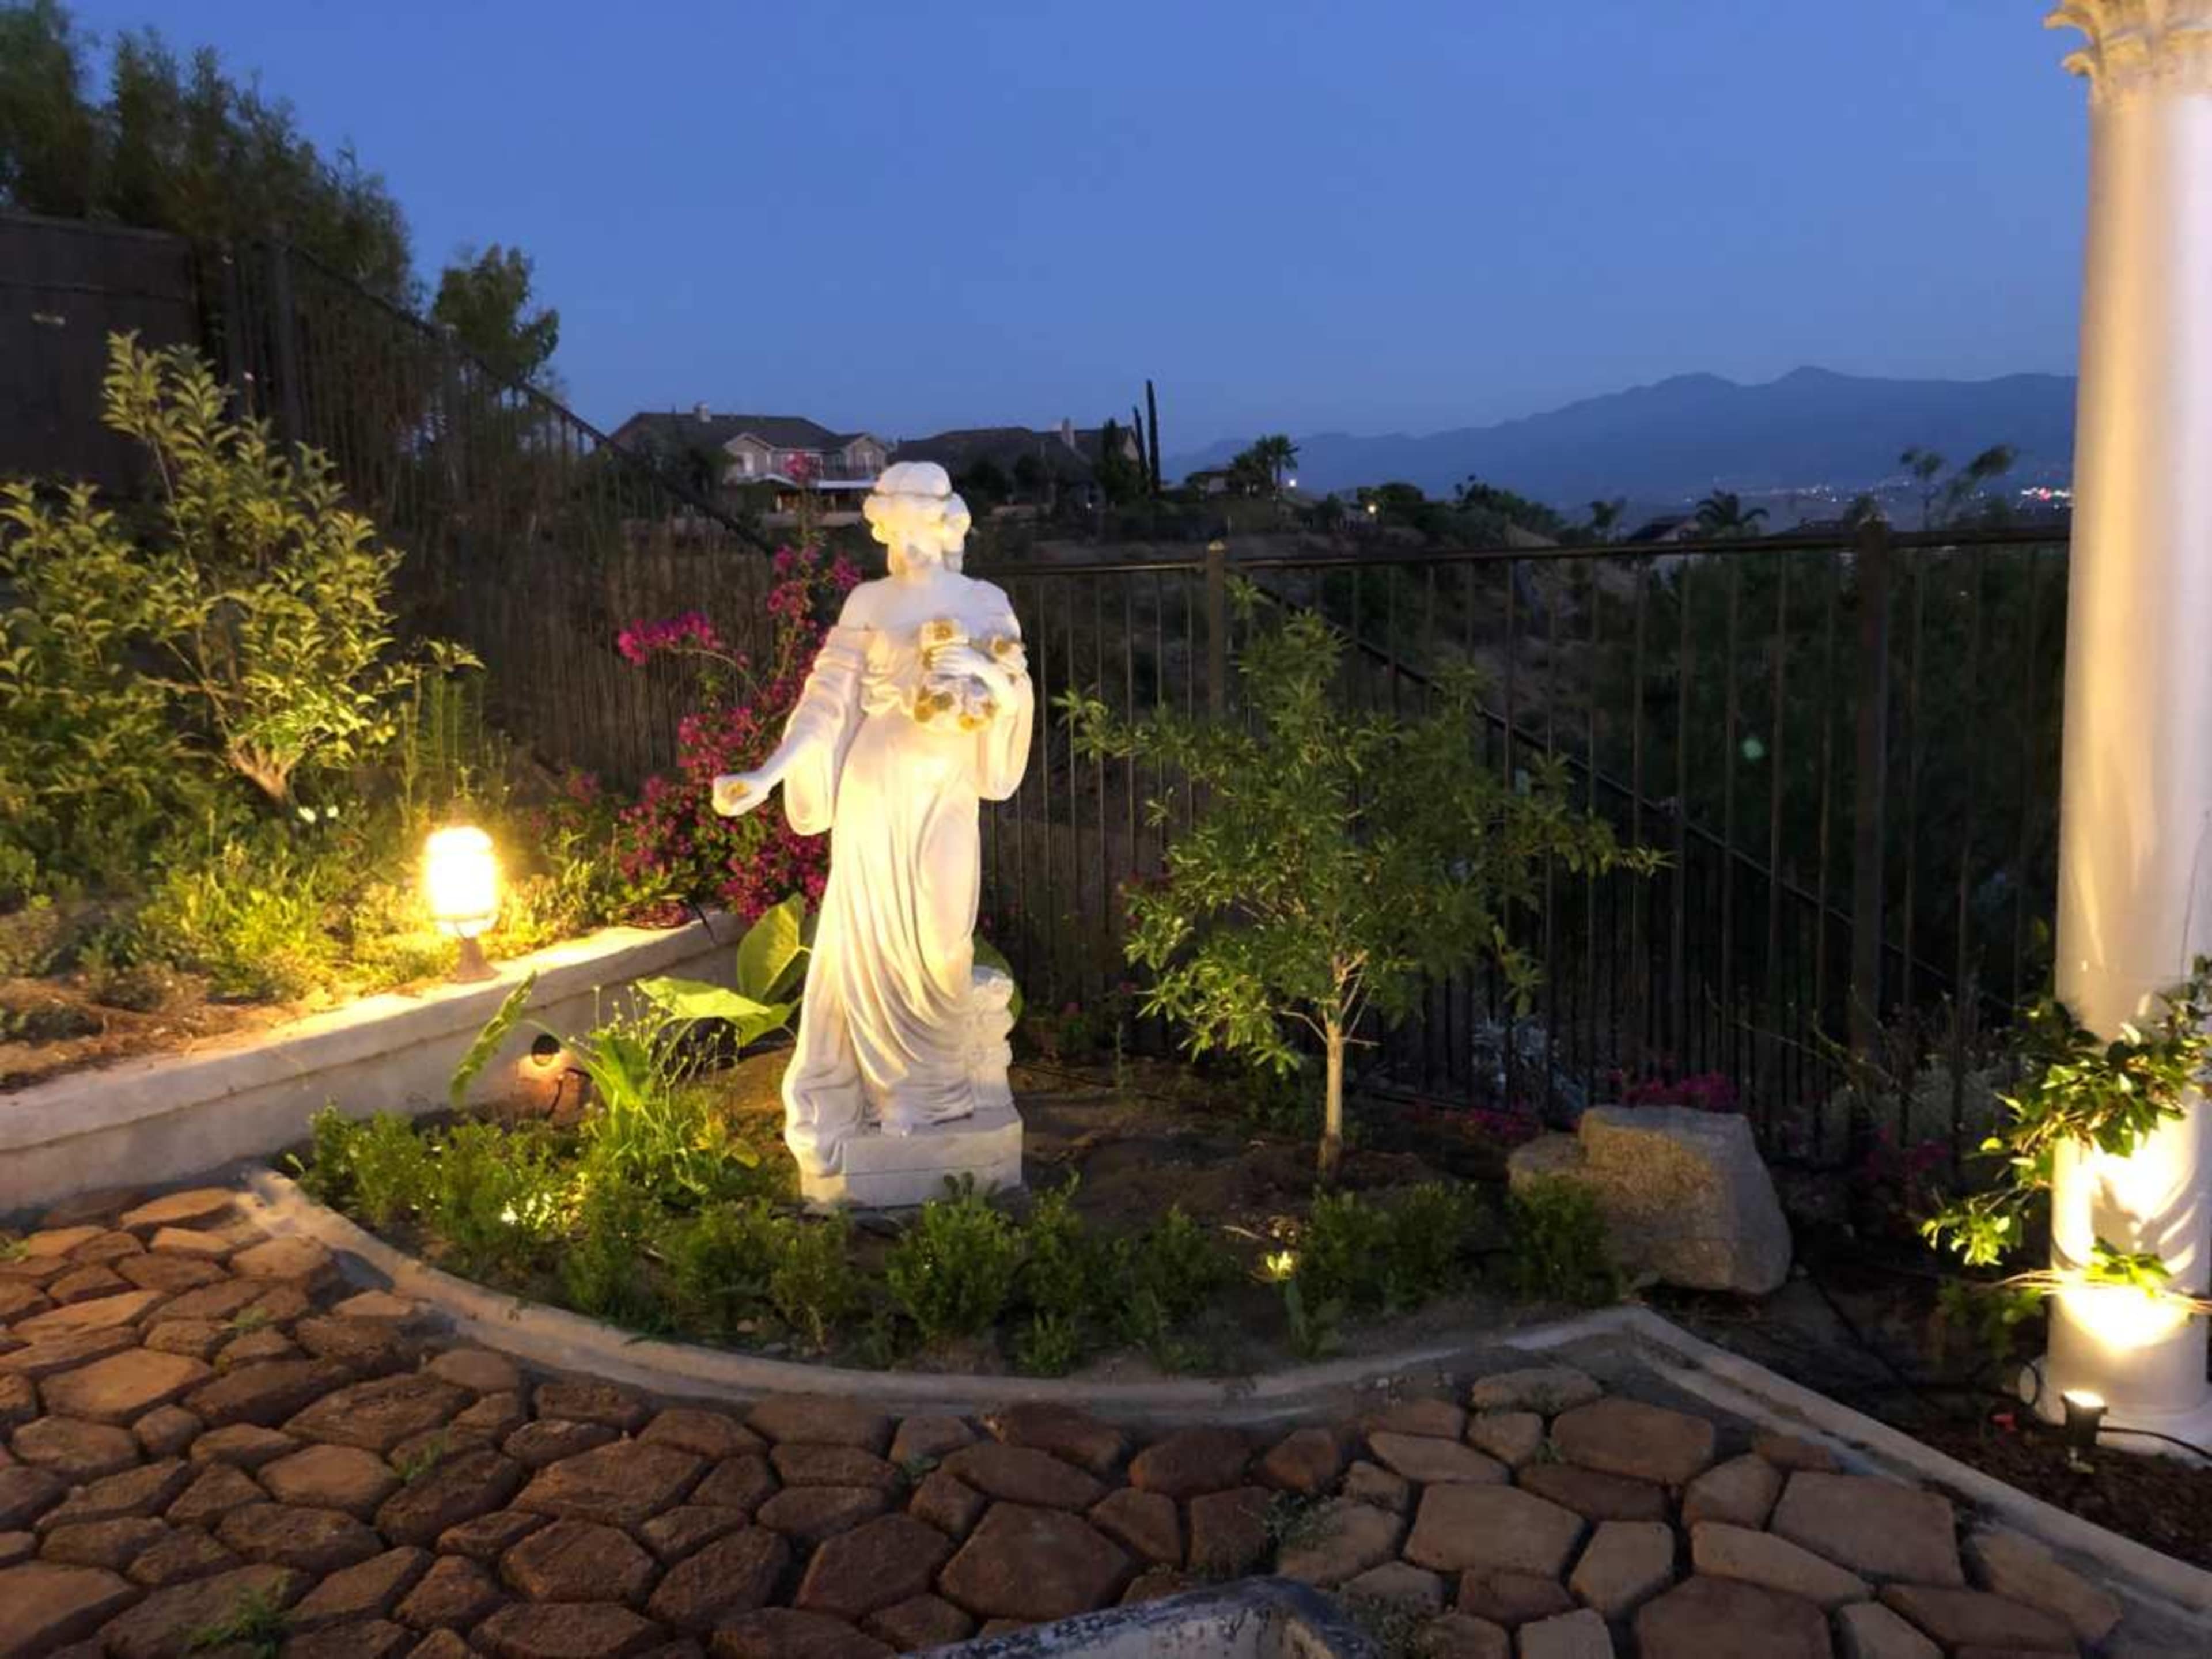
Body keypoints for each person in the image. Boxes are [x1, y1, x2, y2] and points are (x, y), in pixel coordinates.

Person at [713, 462, 1032, 1177]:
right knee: (876, 944)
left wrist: (982, 676)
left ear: (946, 523)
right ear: (885, 526)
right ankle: (898, 1097)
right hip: (874, 784)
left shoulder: (985, 602)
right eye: (895, 525)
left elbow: (1015, 699)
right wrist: (766, 775)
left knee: (942, 933)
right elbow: (825, 704)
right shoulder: (867, 603)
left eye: (922, 523)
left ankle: (939, 1089)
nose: (907, 539)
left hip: (945, 788)